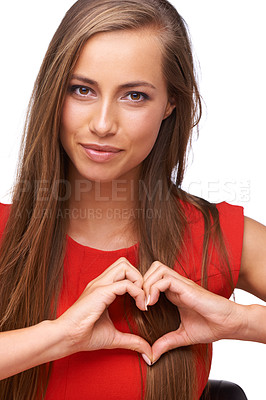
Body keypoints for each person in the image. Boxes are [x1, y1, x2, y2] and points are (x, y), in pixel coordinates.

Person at [0, 0, 265, 399]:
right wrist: (58, 336)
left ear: (171, 102)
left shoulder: (219, 237)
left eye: (134, 96)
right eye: (82, 89)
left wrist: (241, 322)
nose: (102, 124)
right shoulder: (6, 234)